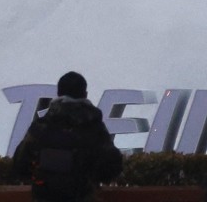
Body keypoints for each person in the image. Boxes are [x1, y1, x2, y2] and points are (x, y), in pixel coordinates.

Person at [11, 71, 123, 202]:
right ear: (85, 94)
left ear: (58, 94)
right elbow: (112, 165)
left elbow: (20, 163)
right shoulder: (94, 127)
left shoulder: (42, 126)